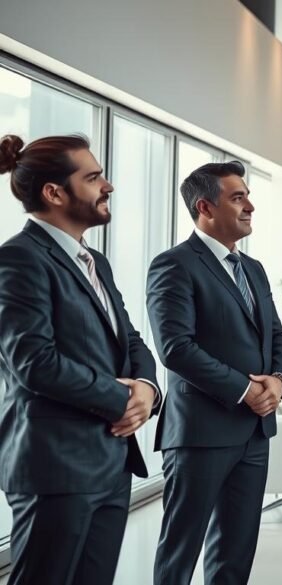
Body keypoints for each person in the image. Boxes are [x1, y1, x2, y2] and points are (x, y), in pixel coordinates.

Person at [0, 134, 161, 585]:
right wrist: (121, 399)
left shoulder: (96, 262)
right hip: (55, 467)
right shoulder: (18, 259)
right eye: (93, 178)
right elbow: (34, 362)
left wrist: (147, 390)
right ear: (54, 193)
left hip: (111, 463)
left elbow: (129, 339)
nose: (108, 186)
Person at [147, 161, 282, 584]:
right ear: (205, 207)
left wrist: (278, 381)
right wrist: (245, 389)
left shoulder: (254, 269)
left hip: (254, 434)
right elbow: (175, 348)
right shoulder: (174, 264)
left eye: (248, 196)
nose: (250, 206)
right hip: (200, 433)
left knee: (235, 555)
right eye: (238, 197)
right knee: (179, 555)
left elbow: (278, 335)